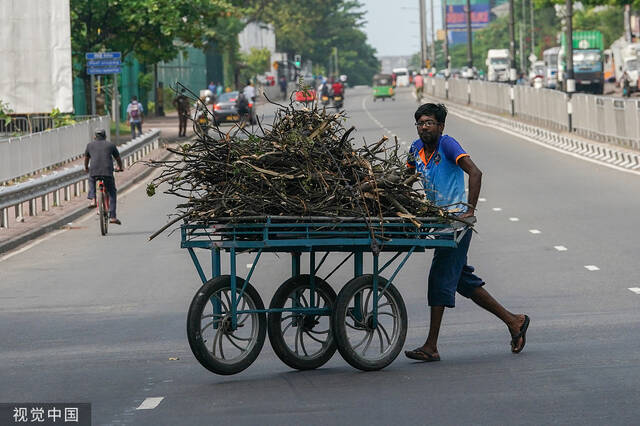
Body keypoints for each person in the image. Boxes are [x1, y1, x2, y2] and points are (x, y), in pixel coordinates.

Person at [404, 103, 529, 362]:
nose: (424, 127)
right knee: (461, 280)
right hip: (437, 222)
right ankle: (514, 321)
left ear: (440, 126)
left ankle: (431, 346)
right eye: (420, 123)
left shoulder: (448, 145)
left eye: (429, 122)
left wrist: (469, 210)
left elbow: (475, 172)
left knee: (439, 277)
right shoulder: (415, 149)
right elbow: (407, 178)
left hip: (456, 225)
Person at [84, 129, 124, 225]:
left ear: (94, 137)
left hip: (94, 170)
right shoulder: (110, 145)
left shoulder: (90, 145)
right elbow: (118, 158)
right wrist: (120, 167)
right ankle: (113, 217)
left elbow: (86, 159)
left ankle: (93, 199)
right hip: (107, 172)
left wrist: (86, 168)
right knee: (112, 192)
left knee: (91, 179)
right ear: (105, 137)